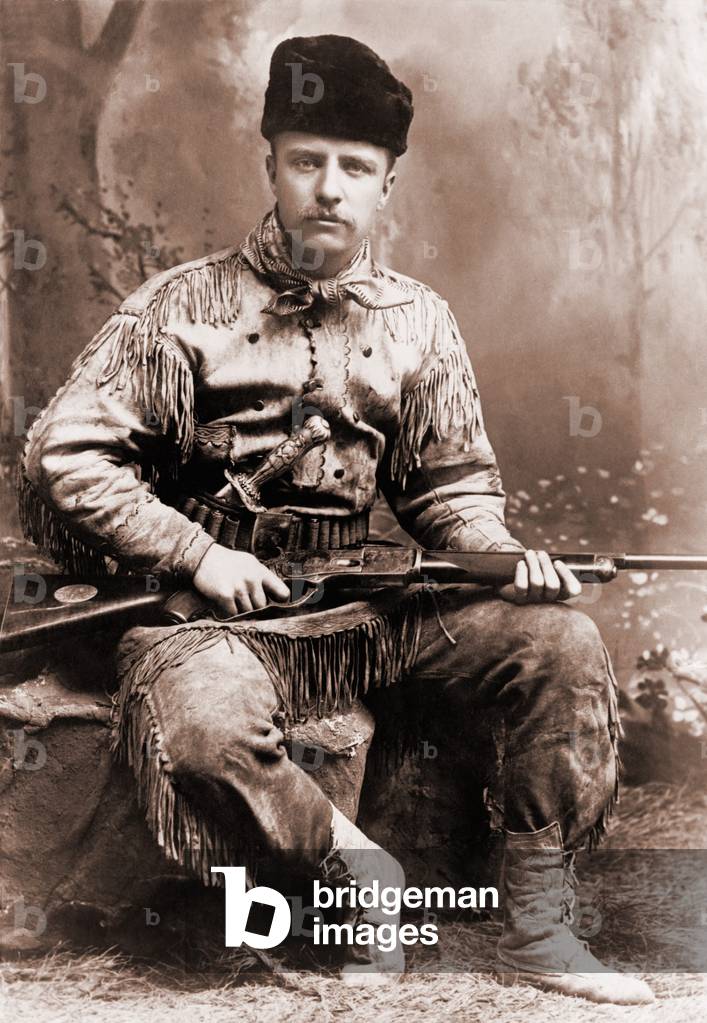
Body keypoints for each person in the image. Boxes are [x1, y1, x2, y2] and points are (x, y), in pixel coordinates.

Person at [18, 33, 652, 1003]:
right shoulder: (178, 309)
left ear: (385, 183)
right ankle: (359, 878)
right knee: (201, 728)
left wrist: (496, 556)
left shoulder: (415, 320)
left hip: (359, 609)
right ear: (268, 163)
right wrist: (192, 551)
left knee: (556, 644)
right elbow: (66, 455)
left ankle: (536, 926)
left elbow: (448, 489)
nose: (327, 186)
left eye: (353, 167)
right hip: (206, 618)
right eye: (306, 160)